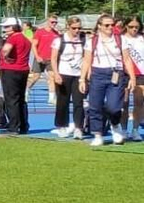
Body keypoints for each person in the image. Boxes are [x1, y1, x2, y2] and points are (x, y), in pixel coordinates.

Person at [80, 14, 135, 147]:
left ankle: (115, 125)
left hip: (116, 74)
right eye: (107, 25)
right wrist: (82, 79)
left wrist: (132, 77)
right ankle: (97, 134)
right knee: (95, 106)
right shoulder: (92, 41)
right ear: (99, 26)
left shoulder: (120, 40)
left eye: (112, 24)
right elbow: (86, 60)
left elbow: (127, 59)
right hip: (98, 74)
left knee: (114, 106)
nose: (110, 27)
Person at [51, 16, 87, 140]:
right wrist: (56, 74)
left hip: (78, 75)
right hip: (64, 73)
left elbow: (87, 57)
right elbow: (54, 58)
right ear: (68, 27)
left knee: (78, 102)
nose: (76, 30)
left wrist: (85, 76)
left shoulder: (83, 39)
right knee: (62, 101)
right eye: (74, 28)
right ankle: (61, 126)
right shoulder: (59, 40)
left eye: (79, 28)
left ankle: (78, 127)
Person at [0, 17, 32, 134]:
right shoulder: (26, 39)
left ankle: (13, 127)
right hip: (23, 70)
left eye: (7, 27)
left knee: (11, 99)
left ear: (14, 27)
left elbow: (6, 50)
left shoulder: (13, 38)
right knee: (21, 98)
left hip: (11, 70)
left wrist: (5, 57)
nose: (5, 29)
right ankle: (23, 125)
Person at [33, 14, 60, 107]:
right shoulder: (40, 32)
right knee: (35, 77)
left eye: (55, 22)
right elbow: (34, 45)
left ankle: (51, 98)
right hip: (40, 57)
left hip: (51, 59)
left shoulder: (56, 34)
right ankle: (25, 91)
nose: (54, 24)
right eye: (52, 22)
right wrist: (37, 56)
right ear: (48, 21)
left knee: (52, 77)